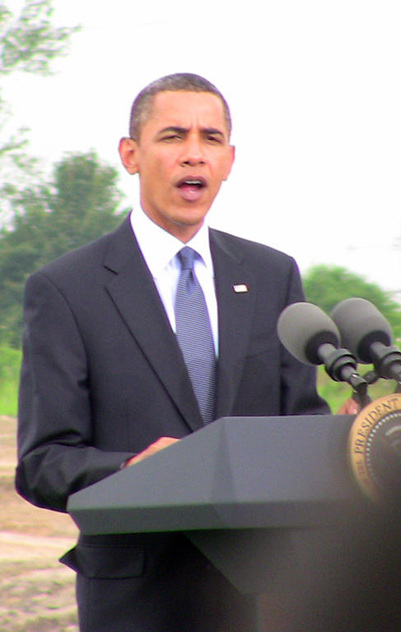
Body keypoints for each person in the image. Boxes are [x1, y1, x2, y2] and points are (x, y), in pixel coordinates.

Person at [16, 73, 330, 632]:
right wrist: (130, 469)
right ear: (130, 154)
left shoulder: (271, 276)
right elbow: (44, 464)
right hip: (138, 598)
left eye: (210, 139)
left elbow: (301, 424)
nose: (193, 155)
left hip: (265, 597)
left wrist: (344, 443)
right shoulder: (66, 290)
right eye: (172, 136)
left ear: (230, 160)